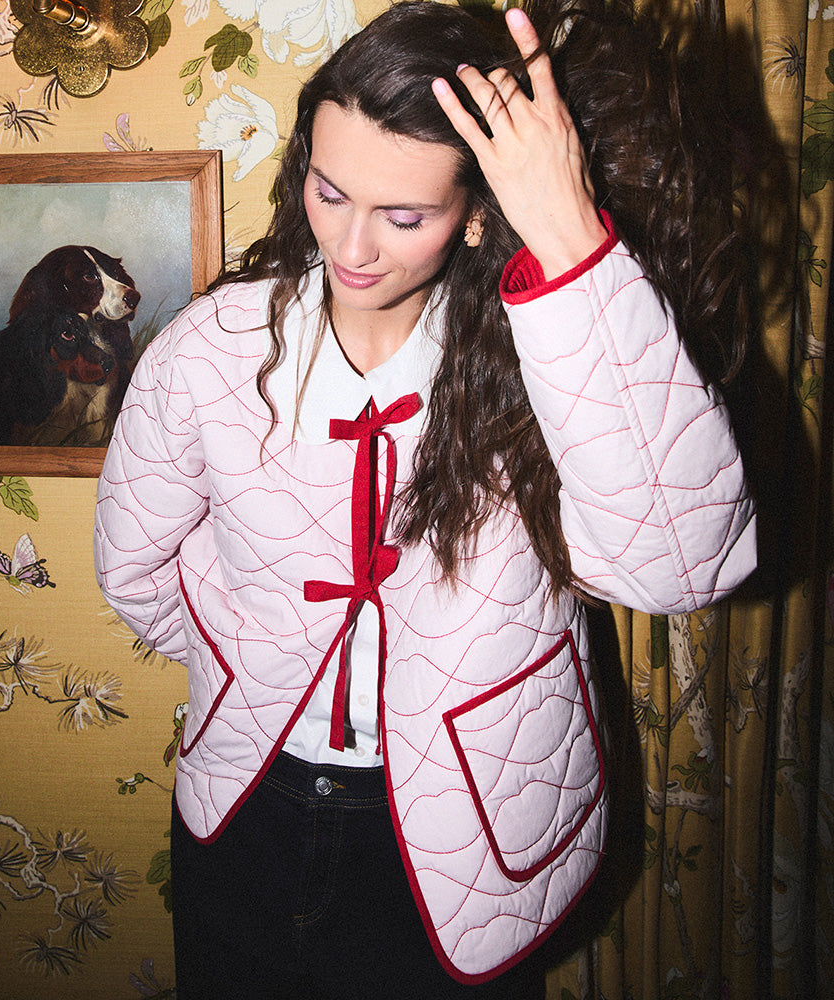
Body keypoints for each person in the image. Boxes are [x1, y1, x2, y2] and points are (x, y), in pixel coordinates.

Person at [94, 1, 756, 995]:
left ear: (481, 211)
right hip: (245, 813)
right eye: (328, 191)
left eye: (404, 215)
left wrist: (569, 233)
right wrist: (259, 656)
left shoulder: (552, 352)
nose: (353, 245)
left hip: (467, 838)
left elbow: (678, 564)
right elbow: (134, 569)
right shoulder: (210, 350)